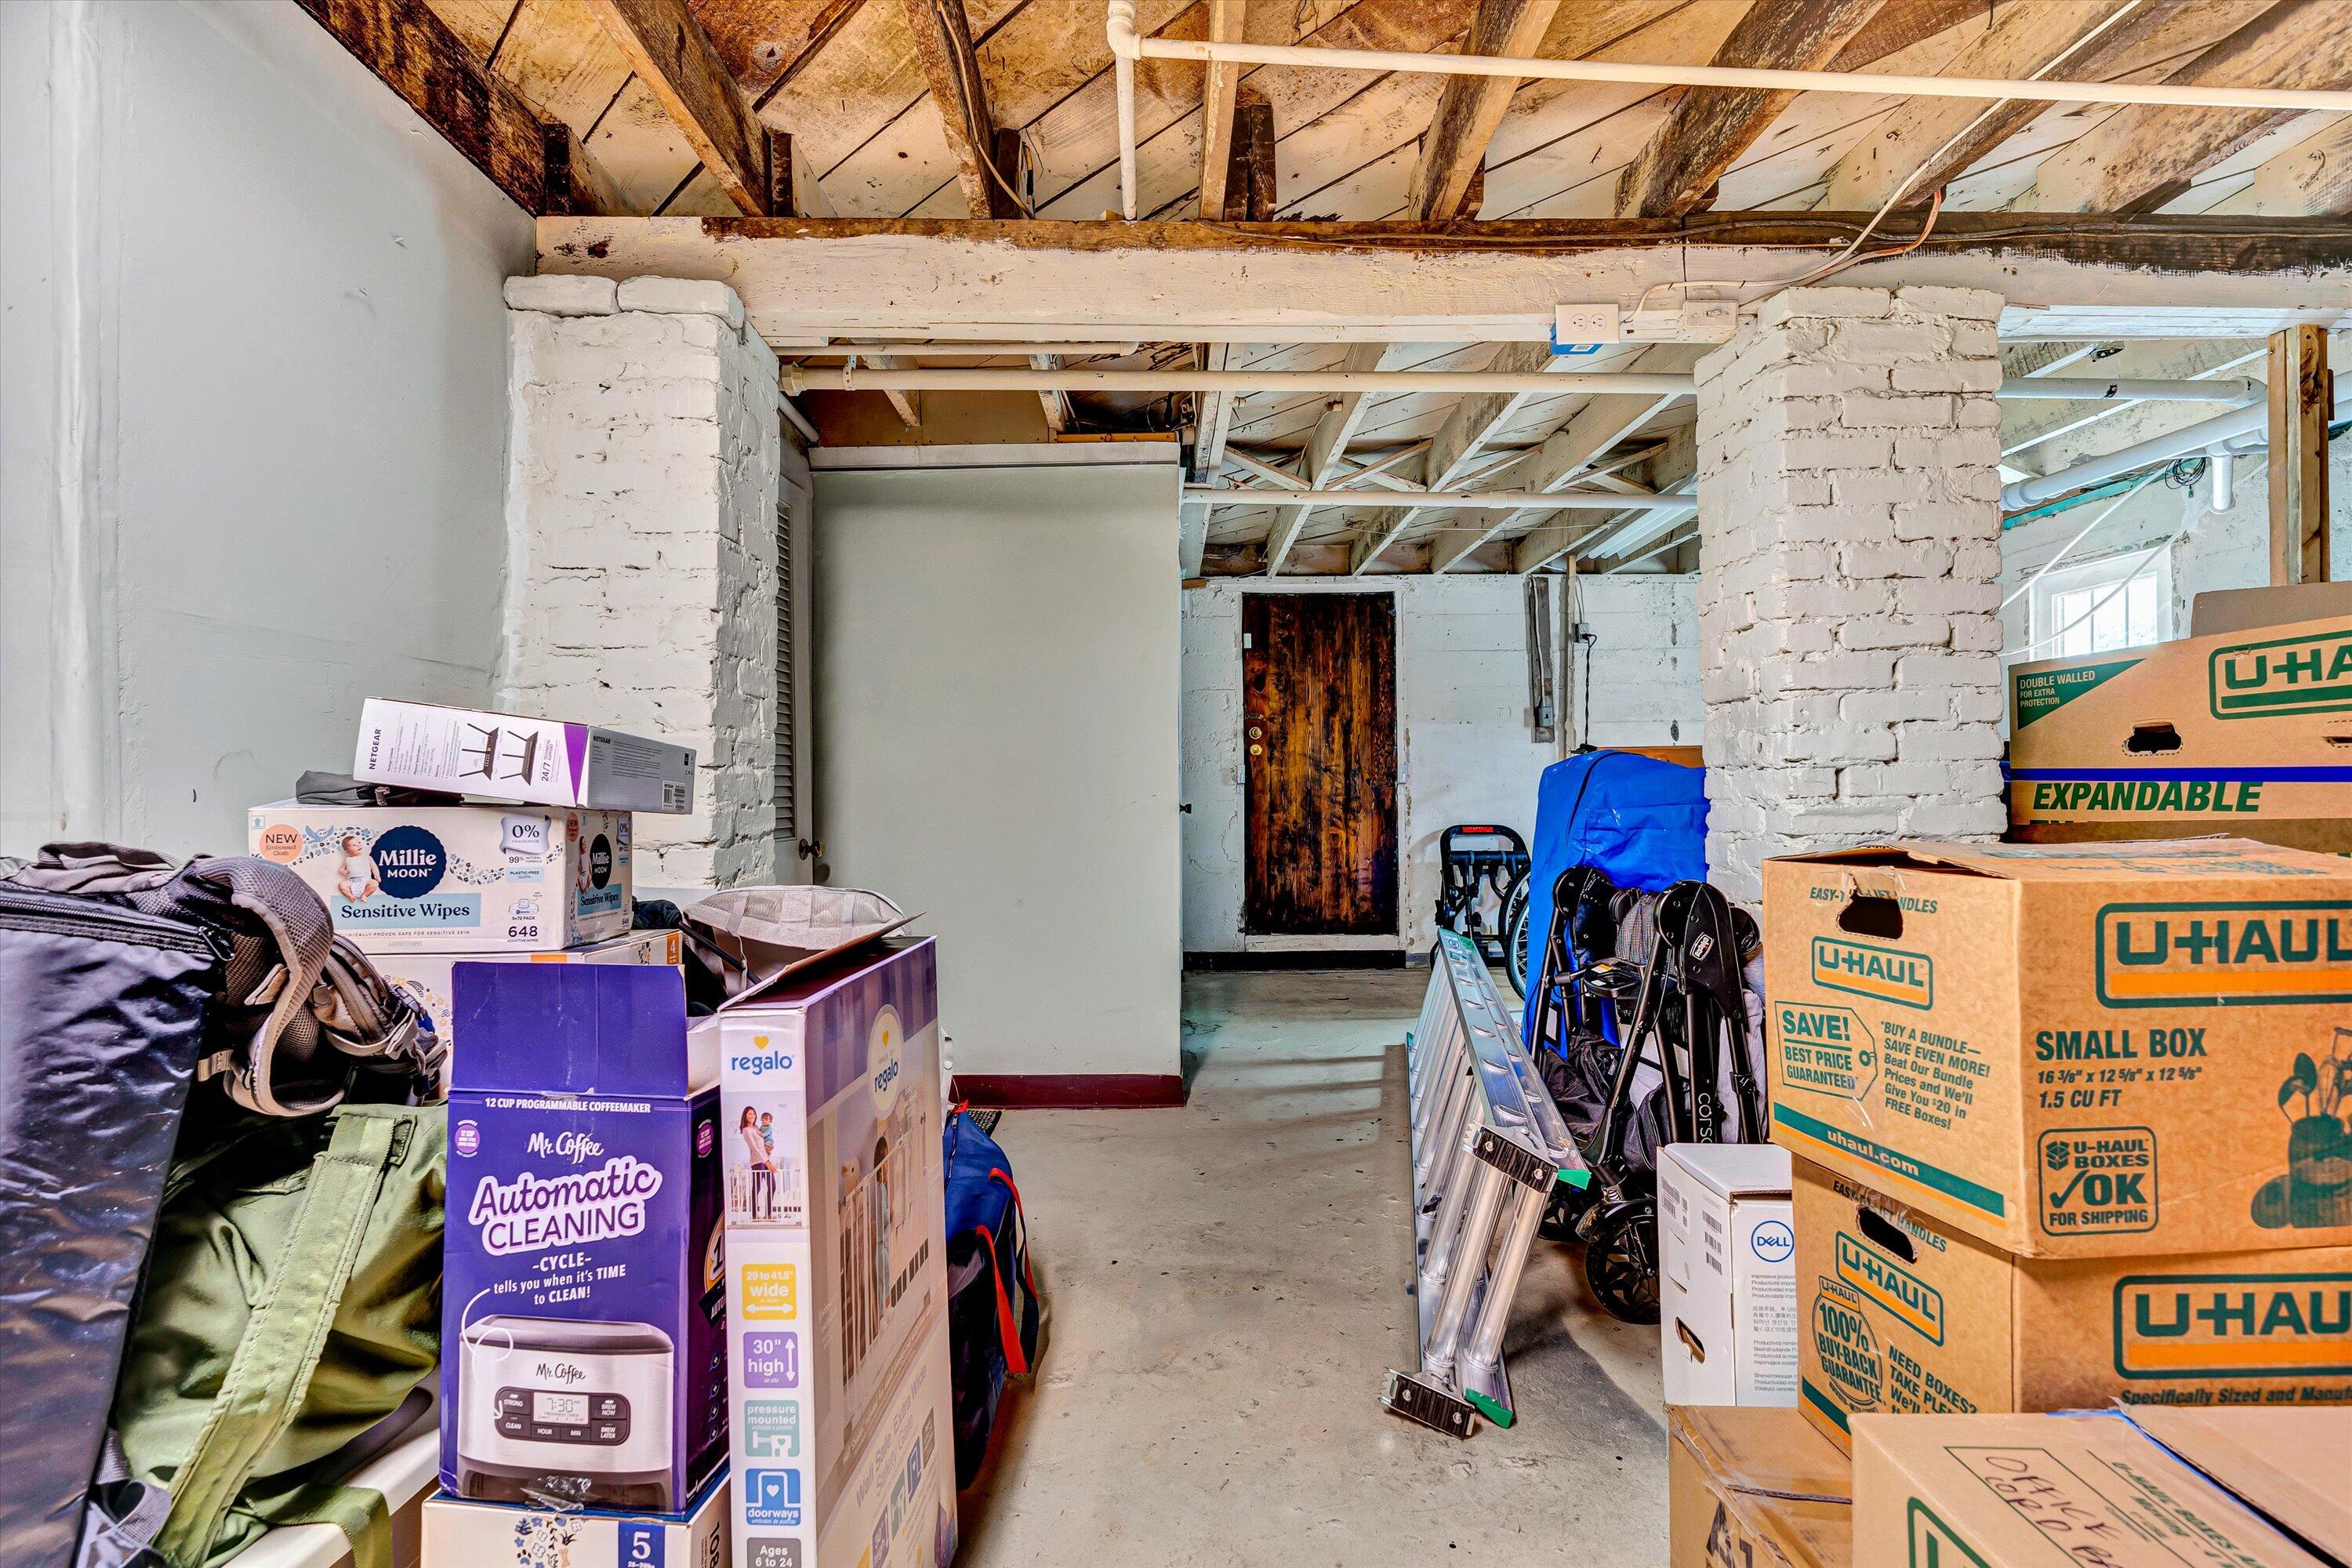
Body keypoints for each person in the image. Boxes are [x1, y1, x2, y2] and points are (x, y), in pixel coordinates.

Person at [739, 1105, 775, 1221]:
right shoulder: (746, 1130)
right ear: (745, 1116)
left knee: (773, 1186)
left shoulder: (756, 1128)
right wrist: (767, 1163)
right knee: (757, 1187)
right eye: (749, 1114)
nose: (752, 1116)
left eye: (754, 1114)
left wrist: (770, 1148)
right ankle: (754, 1215)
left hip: (765, 1159)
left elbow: (762, 1144)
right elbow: (754, 1148)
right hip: (757, 1162)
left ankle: (768, 1214)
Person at [871, 1134, 892, 1323]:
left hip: (884, 1245)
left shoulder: (884, 1189)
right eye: (885, 1161)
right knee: (884, 1282)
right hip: (880, 1247)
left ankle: (884, 1316)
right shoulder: (879, 1191)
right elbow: (883, 1218)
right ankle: (882, 1318)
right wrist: (891, 1213)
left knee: (885, 1282)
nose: (887, 1166)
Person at [334, 833, 378, 902]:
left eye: (359, 843)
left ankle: (365, 895)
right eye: (354, 845)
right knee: (341, 885)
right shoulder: (347, 860)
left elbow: (374, 867)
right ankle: (350, 896)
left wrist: (377, 875)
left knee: (374, 883)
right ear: (347, 851)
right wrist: (342, 871)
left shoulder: (367, 857)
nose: (358, 845)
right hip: (351, 882)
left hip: (366, 881)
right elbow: (342, 869)